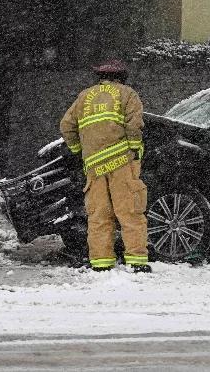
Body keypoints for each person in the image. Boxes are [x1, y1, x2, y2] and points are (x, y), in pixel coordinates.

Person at [60, 59, 151, 273]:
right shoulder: (127, 94)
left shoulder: (84, 97)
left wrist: (78, 150)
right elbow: (134, 124)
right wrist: (135, 149)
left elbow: (66, 125)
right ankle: (136, 261)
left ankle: (101, 263)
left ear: (99, 77)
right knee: (130, 212)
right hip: (121, 161)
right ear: (122, 77)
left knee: (99, 215)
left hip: (93, 165)